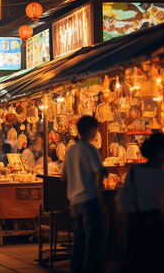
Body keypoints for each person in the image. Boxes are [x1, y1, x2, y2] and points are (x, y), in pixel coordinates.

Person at [116, 133, 164, 273]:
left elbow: (122, 201)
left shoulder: (134, 172)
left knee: (135, 261)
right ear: (160, 151)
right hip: (156, 222)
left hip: (135, 222)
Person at [61, 116, 106, 273]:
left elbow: (63, 176)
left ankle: (77, 269)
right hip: (89, 200)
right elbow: (99, 173)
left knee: (78, 242)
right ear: (92, 130)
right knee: (93, 240)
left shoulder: (72, 150)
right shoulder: (90, 149)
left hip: (75, 203)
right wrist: (100, 200)